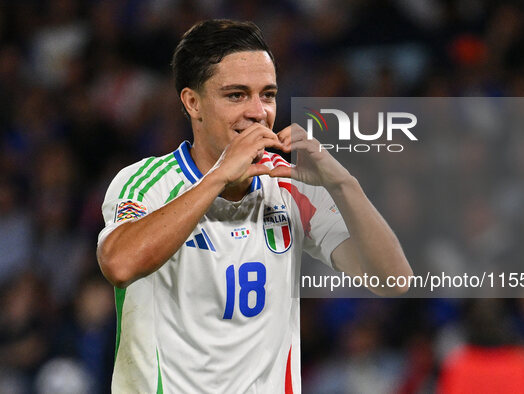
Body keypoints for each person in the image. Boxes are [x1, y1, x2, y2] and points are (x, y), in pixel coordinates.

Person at [97, 19, 412, 393]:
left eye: (268, 94)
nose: (258, 111)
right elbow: (119, 264)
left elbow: (394, 280)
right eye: (236, 95)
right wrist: (217, 178)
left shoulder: (289, 184)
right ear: (192, 102)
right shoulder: (146, 182)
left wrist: (343, 184)